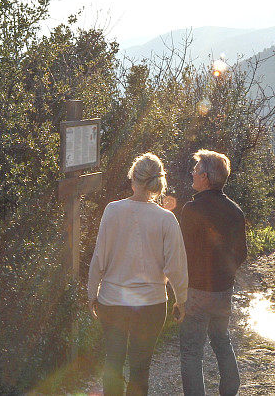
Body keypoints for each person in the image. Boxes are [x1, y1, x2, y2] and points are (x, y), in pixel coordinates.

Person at [87, 153, 189, 396]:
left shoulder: (112, 210)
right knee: (140, 369)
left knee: (113, 363)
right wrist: (181, 299)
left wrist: (92, 293)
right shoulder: (167, 219)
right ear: (159, 184)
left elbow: (99, 258)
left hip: (112, 301)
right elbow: (176, 266)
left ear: (132, 179)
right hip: (151, 304)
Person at [179, 149, 247, 396]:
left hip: (196, 290)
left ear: (205, 177)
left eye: (196, 170)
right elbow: (241, 254)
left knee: (191, 351)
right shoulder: (235, 211)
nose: (193, 174)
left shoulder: (191, 209)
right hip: (223, 290)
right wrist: (224, 276)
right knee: (221, 340)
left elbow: (182, 251)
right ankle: (230, 391)